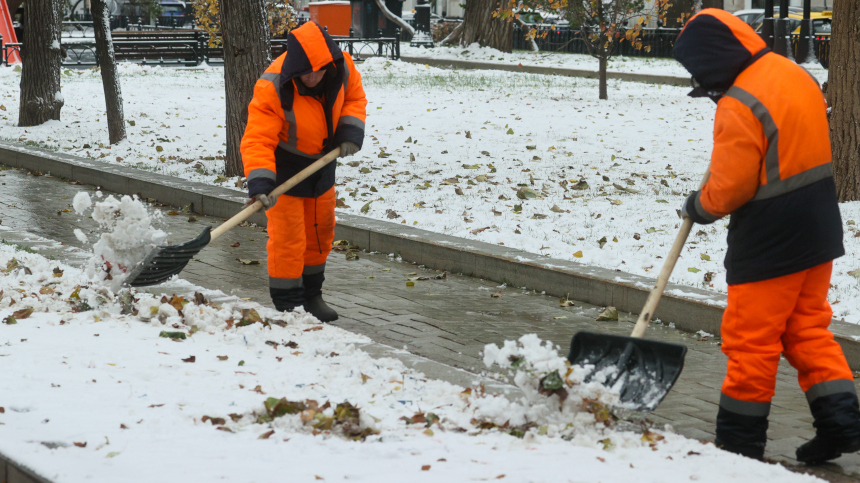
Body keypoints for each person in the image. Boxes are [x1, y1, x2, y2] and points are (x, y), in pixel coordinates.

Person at [674, 9, 860, 464]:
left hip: (771, 238)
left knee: (750, 341)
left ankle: (739, 447)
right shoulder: (790, 72)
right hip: (817, 226)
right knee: (807, 329)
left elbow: (730, 189)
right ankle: (843, 426)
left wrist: (698, 206)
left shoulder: (740, 103)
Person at [240, 21, 367, 322]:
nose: (312, 77)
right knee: (288, 238)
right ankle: (288, 304)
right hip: (286, 168)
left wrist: (349, 132)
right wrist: (260, 183)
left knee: (320, 231)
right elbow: (258, 138)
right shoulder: (273, 85)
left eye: (318, 70)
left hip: (323, 163)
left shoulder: (343, 67)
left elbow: (354, 98)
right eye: (305, 71)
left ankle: (312, 295)